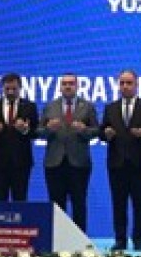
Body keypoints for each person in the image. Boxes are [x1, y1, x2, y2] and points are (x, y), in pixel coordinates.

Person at [101, 70, 141, 250]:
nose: (125, 86)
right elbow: (102, 132)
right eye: (122, 83)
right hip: (116, 163)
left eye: (129, 83)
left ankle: (139, 239)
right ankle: (120, 239)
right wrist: (106, 134)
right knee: (118, 204)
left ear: (136, 84)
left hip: (140, 163)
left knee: (140, 203)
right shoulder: (110, 108)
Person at [40, 73, 99, 232]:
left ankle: (80, 241)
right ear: (60, 87)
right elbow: (38, 131)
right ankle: (57, 239)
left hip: (79, 163)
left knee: (79, 204)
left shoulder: (87, 106)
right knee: (56, 206)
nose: (67, 86)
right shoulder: (50, 107)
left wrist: (84, 130)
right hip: (54, 163)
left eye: (71, 83)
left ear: (77, 86)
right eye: (64, 83)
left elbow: (96, 131)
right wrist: (48, 129)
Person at [0, 72, 39, 201]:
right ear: (2, 88)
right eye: (7, 89)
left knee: (20, 201)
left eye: (14, 89)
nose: (10, 92)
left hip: (21, 163)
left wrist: (25, 130)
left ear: (20, 88)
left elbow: (36, 133)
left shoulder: (30, 106)